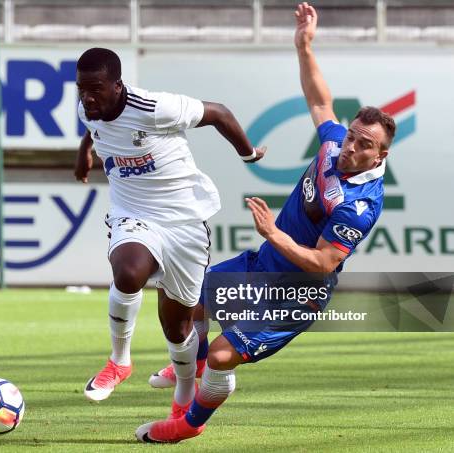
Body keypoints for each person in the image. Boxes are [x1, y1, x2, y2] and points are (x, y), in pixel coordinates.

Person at [137, 2, 397, 443]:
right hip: (264, 263)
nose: (351, 146)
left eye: (364, 143)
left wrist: (274, 232)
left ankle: (188, 425)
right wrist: (304, 46)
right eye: (352, 134)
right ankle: (193, 365)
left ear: (381, 155)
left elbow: (323, 262)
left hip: (297, 293)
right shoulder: (334, 147)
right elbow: (320, 100)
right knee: (189, 299)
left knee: (223, 356)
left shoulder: (359, 205)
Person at [75, 47, 266, 420]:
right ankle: (119, 361)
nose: (87, 97)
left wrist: (248, 154)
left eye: (95, 88)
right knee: (128, 272)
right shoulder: (89, 106)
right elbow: (93, 126)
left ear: (118, 85)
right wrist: (86, 151)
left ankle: (183, 393)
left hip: (184, 222)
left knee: (177, 328)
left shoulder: (156, 108)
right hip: (133, 213)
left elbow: (219, 113)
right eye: (81, 88)